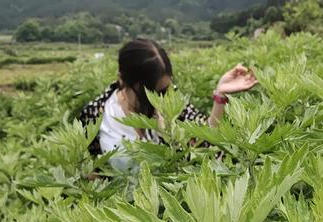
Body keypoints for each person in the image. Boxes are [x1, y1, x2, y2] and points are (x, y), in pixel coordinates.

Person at [79, 38, 258, 172]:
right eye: (151, 91)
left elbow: (208, 143)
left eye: (165, 88)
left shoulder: (172, 100)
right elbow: (89, 170)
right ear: (123, 79)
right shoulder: (97, 113)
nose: (161, 97)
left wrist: (220, 95)